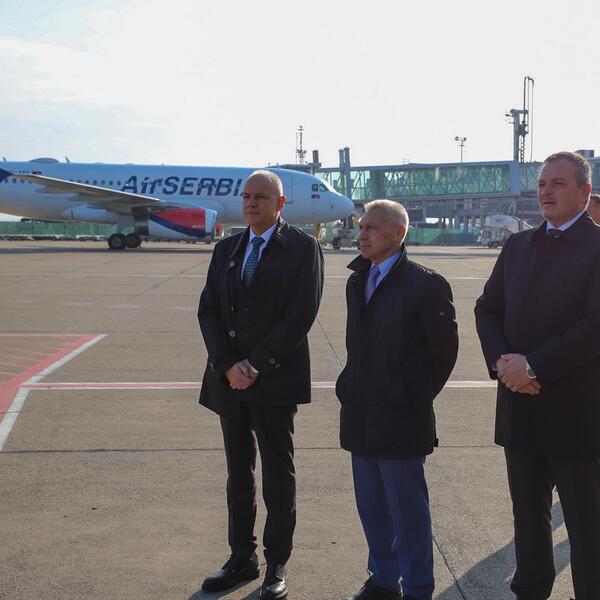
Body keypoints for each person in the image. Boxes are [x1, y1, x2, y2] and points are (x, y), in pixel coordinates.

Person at [475, 151, 600, 600]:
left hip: (577, 415)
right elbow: (487, 309)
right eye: (542, 184)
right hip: (521, 409)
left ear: (585, 192)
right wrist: (503, 364)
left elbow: (594, 326)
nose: (546, 191)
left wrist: (532, 366)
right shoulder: (517, 246)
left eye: (558, 184)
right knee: (527, 521)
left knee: (588, 529)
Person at [197, 170, 324, 600]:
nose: (251, 203)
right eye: (247, 196)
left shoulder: (303, 248)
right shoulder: (227, 248)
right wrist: (227, 365)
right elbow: (208, 310)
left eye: (261, 197)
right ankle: (241, 558)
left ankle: (276, 564)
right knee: (238, 474)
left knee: (277, 475)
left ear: (280, 203)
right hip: (229, 381)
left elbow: (301, 314)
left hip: (274, 380)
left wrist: (255, 364)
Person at [336, 200, 458, 600]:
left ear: (398, 233)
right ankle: (384, 580)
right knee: (371, 507)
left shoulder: (426, 284)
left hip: (401, 417)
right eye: (361, 227)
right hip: (360, 412)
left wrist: (410, 395)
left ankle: (419, 589)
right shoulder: (358, 280)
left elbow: (444, 353)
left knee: (408, 514)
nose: (362, 234)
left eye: (371, 228)